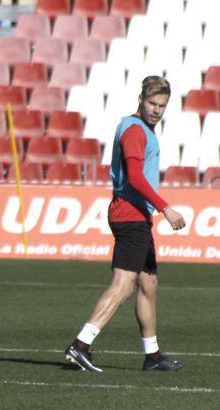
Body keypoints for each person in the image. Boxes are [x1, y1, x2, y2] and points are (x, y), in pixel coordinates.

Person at [64, 76, 185, 373]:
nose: (156, 110)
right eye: (152, 103)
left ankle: (152, 356)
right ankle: (81, 344)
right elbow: (135, 177)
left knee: (148, 283)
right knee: (123, 285)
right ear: (141, 99)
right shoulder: (134, 130)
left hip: (137, 215)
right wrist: (165, 208)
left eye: (162, 106)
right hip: (130, 214)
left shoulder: (142, 129)